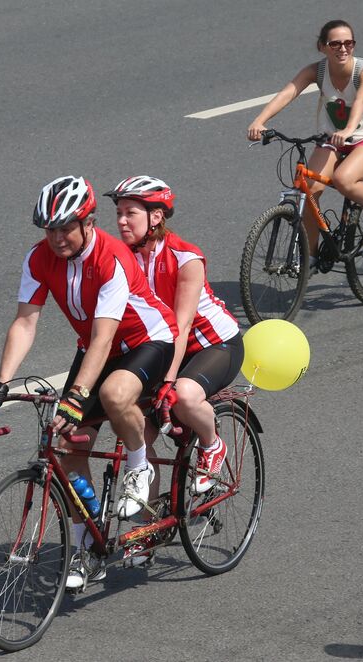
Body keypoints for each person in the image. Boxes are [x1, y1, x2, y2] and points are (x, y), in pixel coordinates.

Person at [0, 175, 178, 589]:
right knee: (67, 446)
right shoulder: (38, 258)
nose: (55, 237)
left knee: (113, 392)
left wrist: (76, 396)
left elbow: (105, 338)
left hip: (147, 340)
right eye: (48, 229)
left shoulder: (112, 258)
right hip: (96, 348)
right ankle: (89, 547)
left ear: (89, 222)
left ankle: (139, 466)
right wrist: (1, 383)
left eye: (64, 227)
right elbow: (25, 322)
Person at [105, 176, 243, 495]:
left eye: (131, 213)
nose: (122, 221)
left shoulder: (185, 258)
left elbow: (179, 328)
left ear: (156, 217)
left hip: (213, 345)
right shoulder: (120, 258)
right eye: (119, 213)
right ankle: (146, 528)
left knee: (182, 395)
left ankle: (212, 445)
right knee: (135, 435)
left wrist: (167, 382)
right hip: (164, 350)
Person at [247, 19, 363, 271]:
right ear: (322, 47)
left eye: (349, 43)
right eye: (335, 43)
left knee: (344, 179)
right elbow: (288, 93)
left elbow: (360, 100)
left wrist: (348, 129)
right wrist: (259, 121)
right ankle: (310, 257)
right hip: (333, 138)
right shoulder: (317, 71)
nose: (343, 48)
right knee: (308, 191)